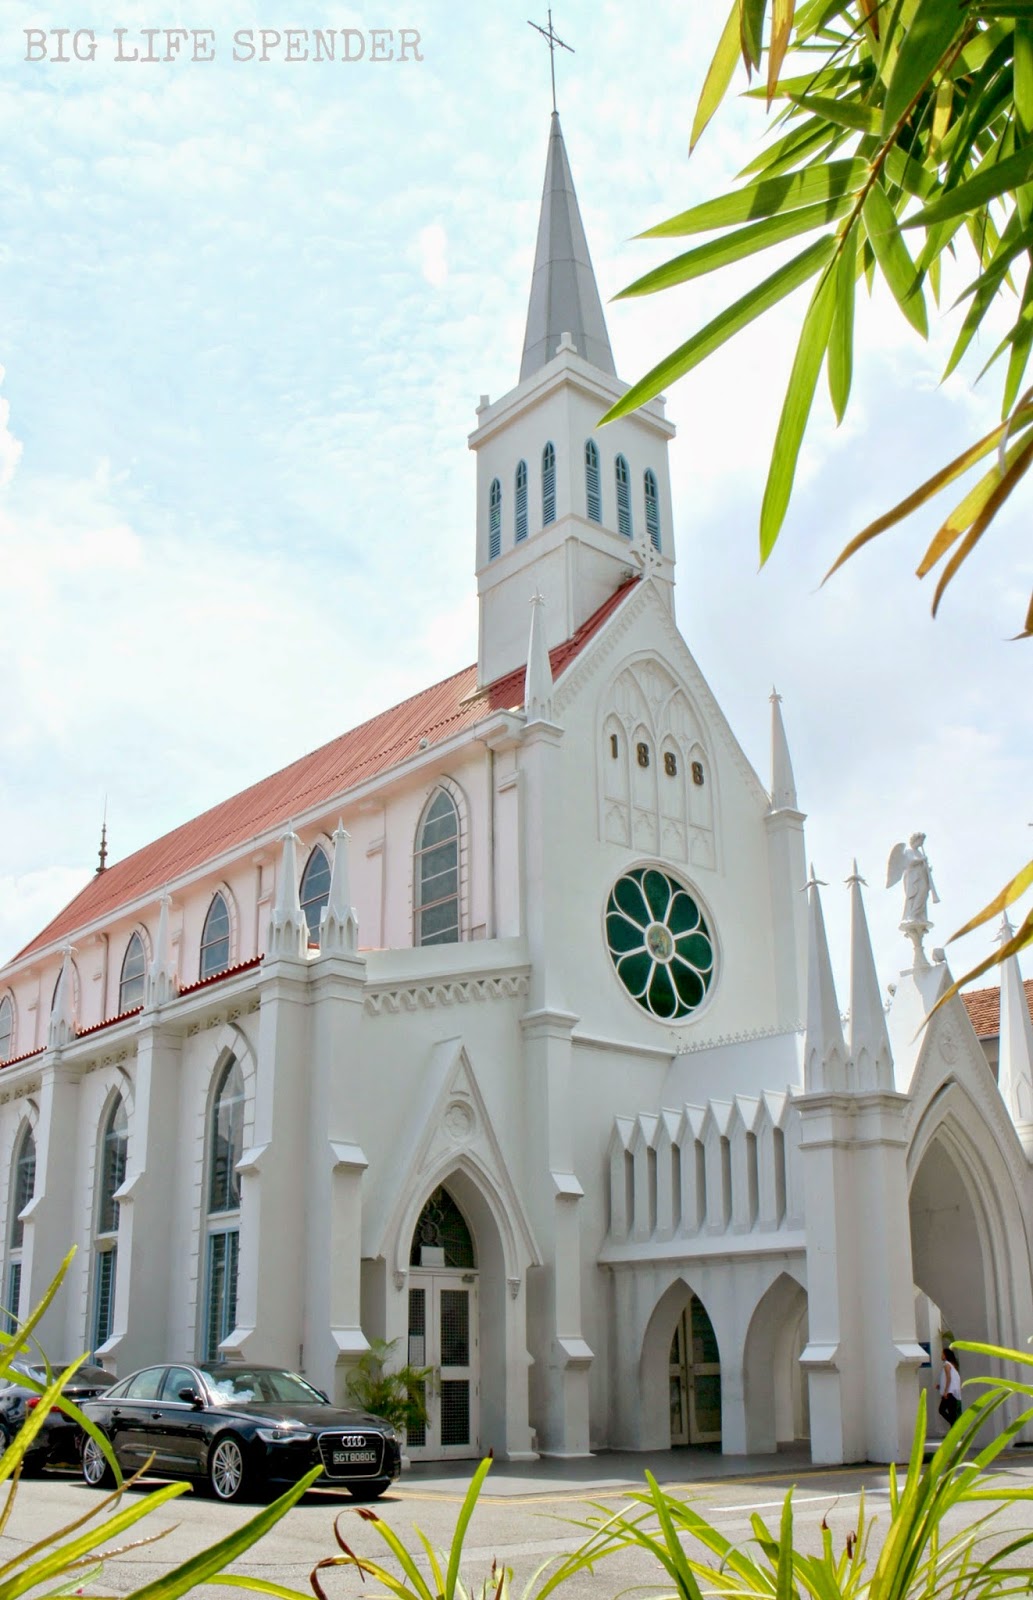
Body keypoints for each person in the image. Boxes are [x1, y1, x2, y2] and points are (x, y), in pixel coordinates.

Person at [938, 1346, 962, 1427]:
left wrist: (946, 1391)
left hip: (949, 1393)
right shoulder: (952, 1365)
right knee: (952, 1413)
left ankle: (955, 1425)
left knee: (942, 1410)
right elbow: (948, 1379)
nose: (941, 1355)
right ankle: (954, 1426)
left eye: (942, 1354)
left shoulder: (946, 1364)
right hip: (953, 1392)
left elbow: (949, 1378)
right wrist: (940, 1386)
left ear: (945, 1355)